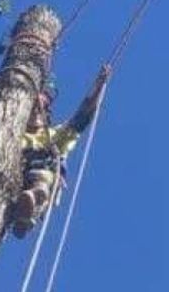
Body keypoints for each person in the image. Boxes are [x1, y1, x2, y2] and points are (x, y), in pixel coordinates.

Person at [10, 63, 110, 238]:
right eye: (32, 108)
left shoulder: (53, 135)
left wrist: (98, 87)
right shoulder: (13, 136)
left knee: (42, 179)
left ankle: (31, 205)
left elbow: (81, 118)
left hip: (41, 176)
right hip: (15, 179)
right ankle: (22, 208)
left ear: (45, 116)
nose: (35, 112)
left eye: (39, 110)